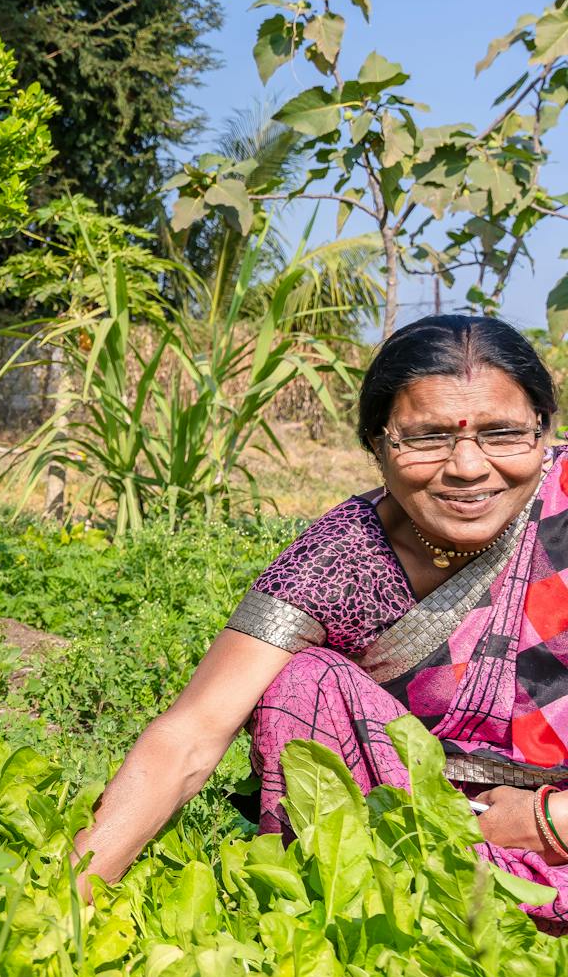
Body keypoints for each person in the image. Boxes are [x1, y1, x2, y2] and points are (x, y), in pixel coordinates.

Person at [73, 314, 568, 928]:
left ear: (546, 433)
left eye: (502, 434)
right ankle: (357, 913)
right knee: (301, 685)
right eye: (427, 438)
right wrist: (70, 898)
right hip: (423, 842)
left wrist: (551, 818)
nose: (467, 467)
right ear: (376, 444)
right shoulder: (339, 558)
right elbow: (192, 734)